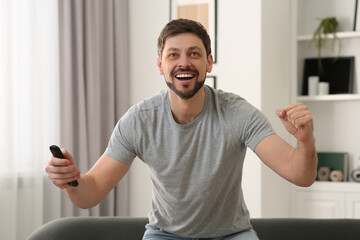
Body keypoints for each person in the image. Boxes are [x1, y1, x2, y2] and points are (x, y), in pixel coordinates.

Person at [45, 18, 317, 239]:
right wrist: (71, 181)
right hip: (165, 234)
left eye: (194, 54)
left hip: (232, 234)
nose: (183, 62)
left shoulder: (237, 113)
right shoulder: (139, 120)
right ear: (161, 65)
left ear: (209, 62)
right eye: (173, 55)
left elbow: (300, 174)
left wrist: (305, 141)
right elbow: (90, 192)